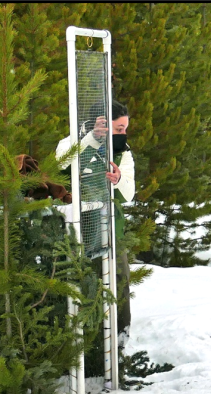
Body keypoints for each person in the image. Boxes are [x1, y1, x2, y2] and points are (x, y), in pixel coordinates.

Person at [55, 99, 135, 354]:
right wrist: (91, 139)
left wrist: (119, 178)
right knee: (80, 287)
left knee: (118, 284)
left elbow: (130, 194)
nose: (123, 134)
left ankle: (118, 344)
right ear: (99, 123)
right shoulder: (70, 143)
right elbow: (60, 169)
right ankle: (79, 350)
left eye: (124, 129)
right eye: (118, 128)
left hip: (112, 230)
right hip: (76, 231)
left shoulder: (124, 151)